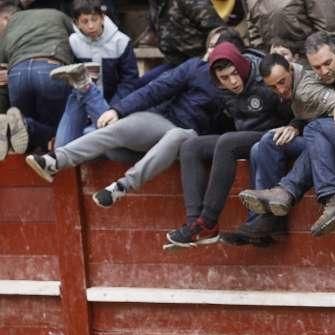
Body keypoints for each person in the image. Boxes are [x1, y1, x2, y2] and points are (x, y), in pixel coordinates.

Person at [24, 34, 224, 207]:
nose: (212, 51)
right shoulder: (194, 69)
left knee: (176, 134)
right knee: (111, 132)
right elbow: (152, 89)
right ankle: (55, 159)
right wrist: (118, 109)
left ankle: (121, 186)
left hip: (189, 140)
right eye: (211, 46)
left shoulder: (236, 86)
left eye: (218, 46)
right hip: (159, 127)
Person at [239, 32, 335, 235]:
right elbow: (314, 109)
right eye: (317, 67)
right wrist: (295, 124)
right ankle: (277, 203)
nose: (323, 71)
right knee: (273, 140)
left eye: (327, 63)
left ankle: (327, 193)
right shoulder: (314, 76)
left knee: (315, 129)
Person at [166, 40, 291, 246]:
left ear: (240, 66)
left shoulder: (263, 77)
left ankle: (208, 220)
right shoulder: (220, 88)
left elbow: (290, 110)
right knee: (190, 146)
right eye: (224, 78)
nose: (232, 81)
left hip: (272, 135)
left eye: (235, 73)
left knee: (227, 142)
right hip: (242, 136)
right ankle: (194, 224)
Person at [51, 0, 139, 147]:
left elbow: (129, 81)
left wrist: (115, 108)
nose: (90, 26)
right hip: (80, 104)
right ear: (76, 23)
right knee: (61, 147)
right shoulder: (72, 42)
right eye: (84, 21)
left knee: (102, 135)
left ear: (103, 17)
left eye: (94, 19)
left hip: (111, 105)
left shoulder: (121, 41)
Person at [0, 0, 73, 156]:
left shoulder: (9, 27)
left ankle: (10, 127)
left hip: (17, 74)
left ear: (6, 18)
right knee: (59, 130)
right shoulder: (59, 16)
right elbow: (78, 41)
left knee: (27, 137)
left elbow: (0, 82)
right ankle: (25, 126)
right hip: (51, 68)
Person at [246, 0, 335, 53]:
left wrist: (314, 56)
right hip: (280, 67)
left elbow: (331, 28)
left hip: (312, 58)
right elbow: (254, 30)